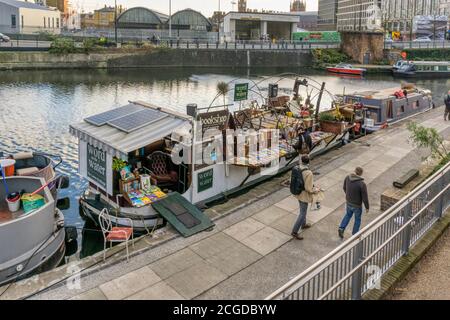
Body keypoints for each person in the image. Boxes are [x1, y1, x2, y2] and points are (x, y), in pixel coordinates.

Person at [291, 155, 318, 240]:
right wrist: (315, 190)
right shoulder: (308, 172)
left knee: (302, 210)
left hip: (297, 192)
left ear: (301, 161)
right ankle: (294, 231)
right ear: (308, 162)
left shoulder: (297, 167)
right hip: (303, 195)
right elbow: (308, 188)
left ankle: (304, 224)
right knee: (302, 213)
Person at [338, 167, 369, 239]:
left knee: (348, 215)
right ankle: (355, 234)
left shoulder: (347, 178)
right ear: (361, 173)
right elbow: (365, 197)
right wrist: (367, 207)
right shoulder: (362, 184)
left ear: (355, 171)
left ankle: (341, 228)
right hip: (357, 205)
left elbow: (344, 187)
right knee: (357, 219)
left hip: (348, 202)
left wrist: (348, 195)